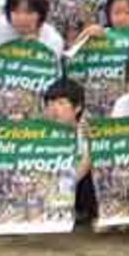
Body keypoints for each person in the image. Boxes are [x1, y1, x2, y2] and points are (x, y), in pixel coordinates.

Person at [43, 78, 93, 224]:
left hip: (74, 188)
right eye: (49, 104)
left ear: (77, 107)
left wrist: (63, 187)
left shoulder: (86, 131)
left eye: (61, 103)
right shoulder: (39, 132)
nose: (53, 109)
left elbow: (86, 163)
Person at [0, 0, 65, 56]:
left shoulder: (53, 39)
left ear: (41, 14)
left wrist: (36, 48)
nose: (22, 18)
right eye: (16, 12)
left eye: (29, 12)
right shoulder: (0, 26)